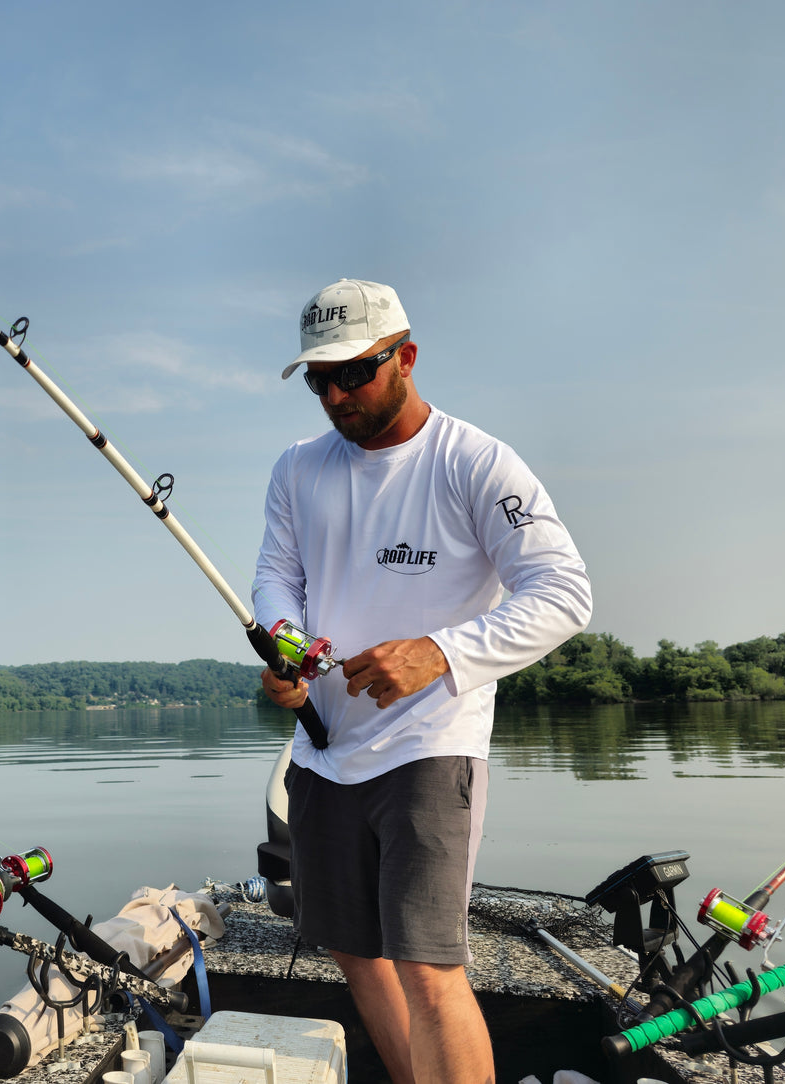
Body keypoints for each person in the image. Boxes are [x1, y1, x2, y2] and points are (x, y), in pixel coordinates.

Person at [253, 278, 592, 1084]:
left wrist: (437, 653)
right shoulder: (296, 468)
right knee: (353, 952)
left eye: (354, 373)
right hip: (321, 752)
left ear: (404, 357)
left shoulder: (474, 462)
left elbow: (564, 592)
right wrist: (284, 648)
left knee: (428, 969)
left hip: (431, 749)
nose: (334, 394)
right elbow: (275, 578)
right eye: (317, 379)